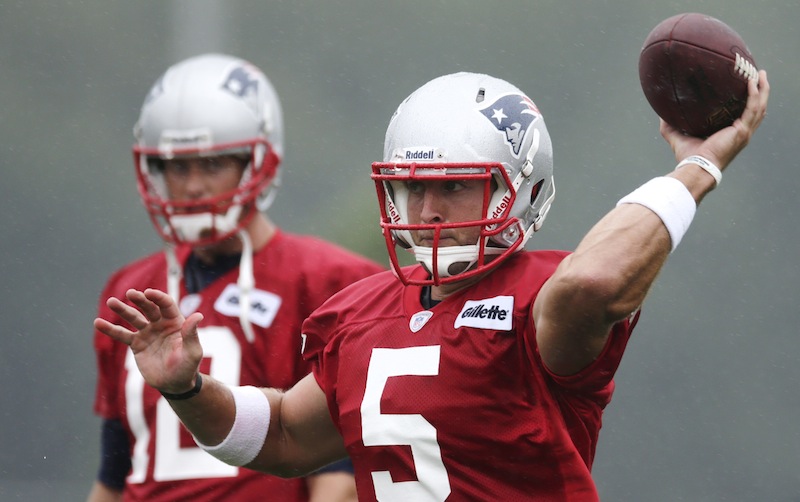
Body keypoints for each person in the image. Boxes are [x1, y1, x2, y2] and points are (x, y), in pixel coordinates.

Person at [95, 69, 770, 501]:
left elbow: (593, 279)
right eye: (414, 189)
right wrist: (186, 387)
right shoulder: (361, 312)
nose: (429, 212)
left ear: (521, 192)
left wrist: (700, 166)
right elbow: (279, 437)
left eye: (455, 187)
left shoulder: (542, 301)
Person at [87, 53, 383, 502]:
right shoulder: (130, 289)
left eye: (213, 163)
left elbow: (340, 466)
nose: (192, 187)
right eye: (177, 167)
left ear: (257, 161)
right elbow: (114, 469)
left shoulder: (330, 280)